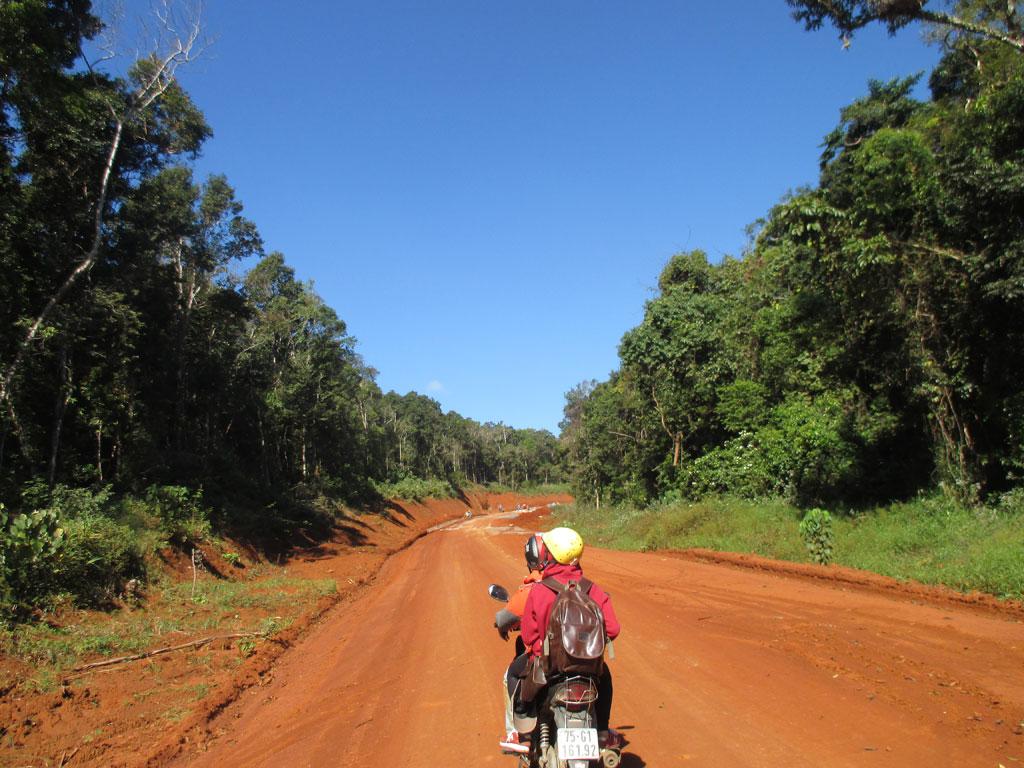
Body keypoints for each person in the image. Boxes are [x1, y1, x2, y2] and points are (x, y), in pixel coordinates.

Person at [519, 527, 622, 751]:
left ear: (549, 555)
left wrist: (542, 648)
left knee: (517, 674)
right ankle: (602, 732)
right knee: (606, 678)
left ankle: (525, 736)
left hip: (550, 670)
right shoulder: (593, 590)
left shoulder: (539, 590)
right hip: (588, 671)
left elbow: (527, 635)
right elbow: (612, 630)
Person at [495, 533, 545, 754]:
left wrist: (503, 628)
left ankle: (517, 731)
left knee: (511, 676)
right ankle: (601, 731)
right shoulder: (582, 586)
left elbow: (503, 619)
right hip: (578, 657)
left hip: (542, 660)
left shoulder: (530, 590)